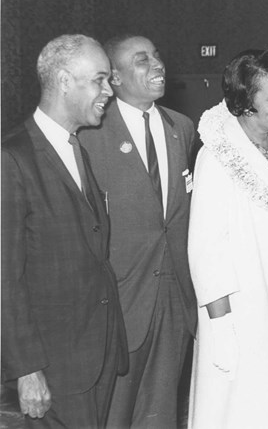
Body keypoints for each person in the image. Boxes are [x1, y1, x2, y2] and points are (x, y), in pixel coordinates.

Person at [1, 34, 127, 428]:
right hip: (53, 367)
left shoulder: (77, 150)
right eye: (100, 79)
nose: (109, 90)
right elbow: (5, 277)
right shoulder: (11, 158)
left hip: (96, 356)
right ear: (63, 80)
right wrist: (27, 370)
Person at [187, 48, 268, 429]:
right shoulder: (218, 156)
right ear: (245, 102)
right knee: (246, 409)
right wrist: (220, 323)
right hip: (245, 308)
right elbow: (205, 246)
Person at [79, 35, 197, 428]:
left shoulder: (182, 128)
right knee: (113, 416)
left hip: (173, 303)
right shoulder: (89, 136)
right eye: (142, 60)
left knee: (160, 414)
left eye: (158, 56)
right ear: (114, 78)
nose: (158, 65)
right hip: (120, 305)